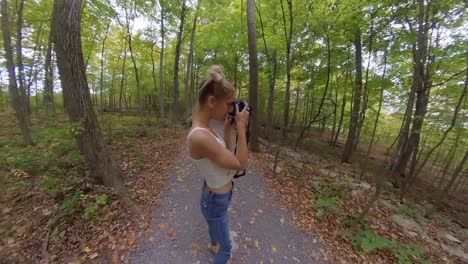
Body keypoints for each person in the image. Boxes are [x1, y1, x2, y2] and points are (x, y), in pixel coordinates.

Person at [187, 65, 250, 264]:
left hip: (215, 195)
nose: (232, 109)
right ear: (212, 101)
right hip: (216, 199)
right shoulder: (199, 137)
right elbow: (240, 163)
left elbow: (224, 157)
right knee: (226, 250)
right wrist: (241, 126)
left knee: (214, 224)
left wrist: (227, 131)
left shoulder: (205, 128)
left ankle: (213, 244)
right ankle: (219, 248)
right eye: (229, 104)